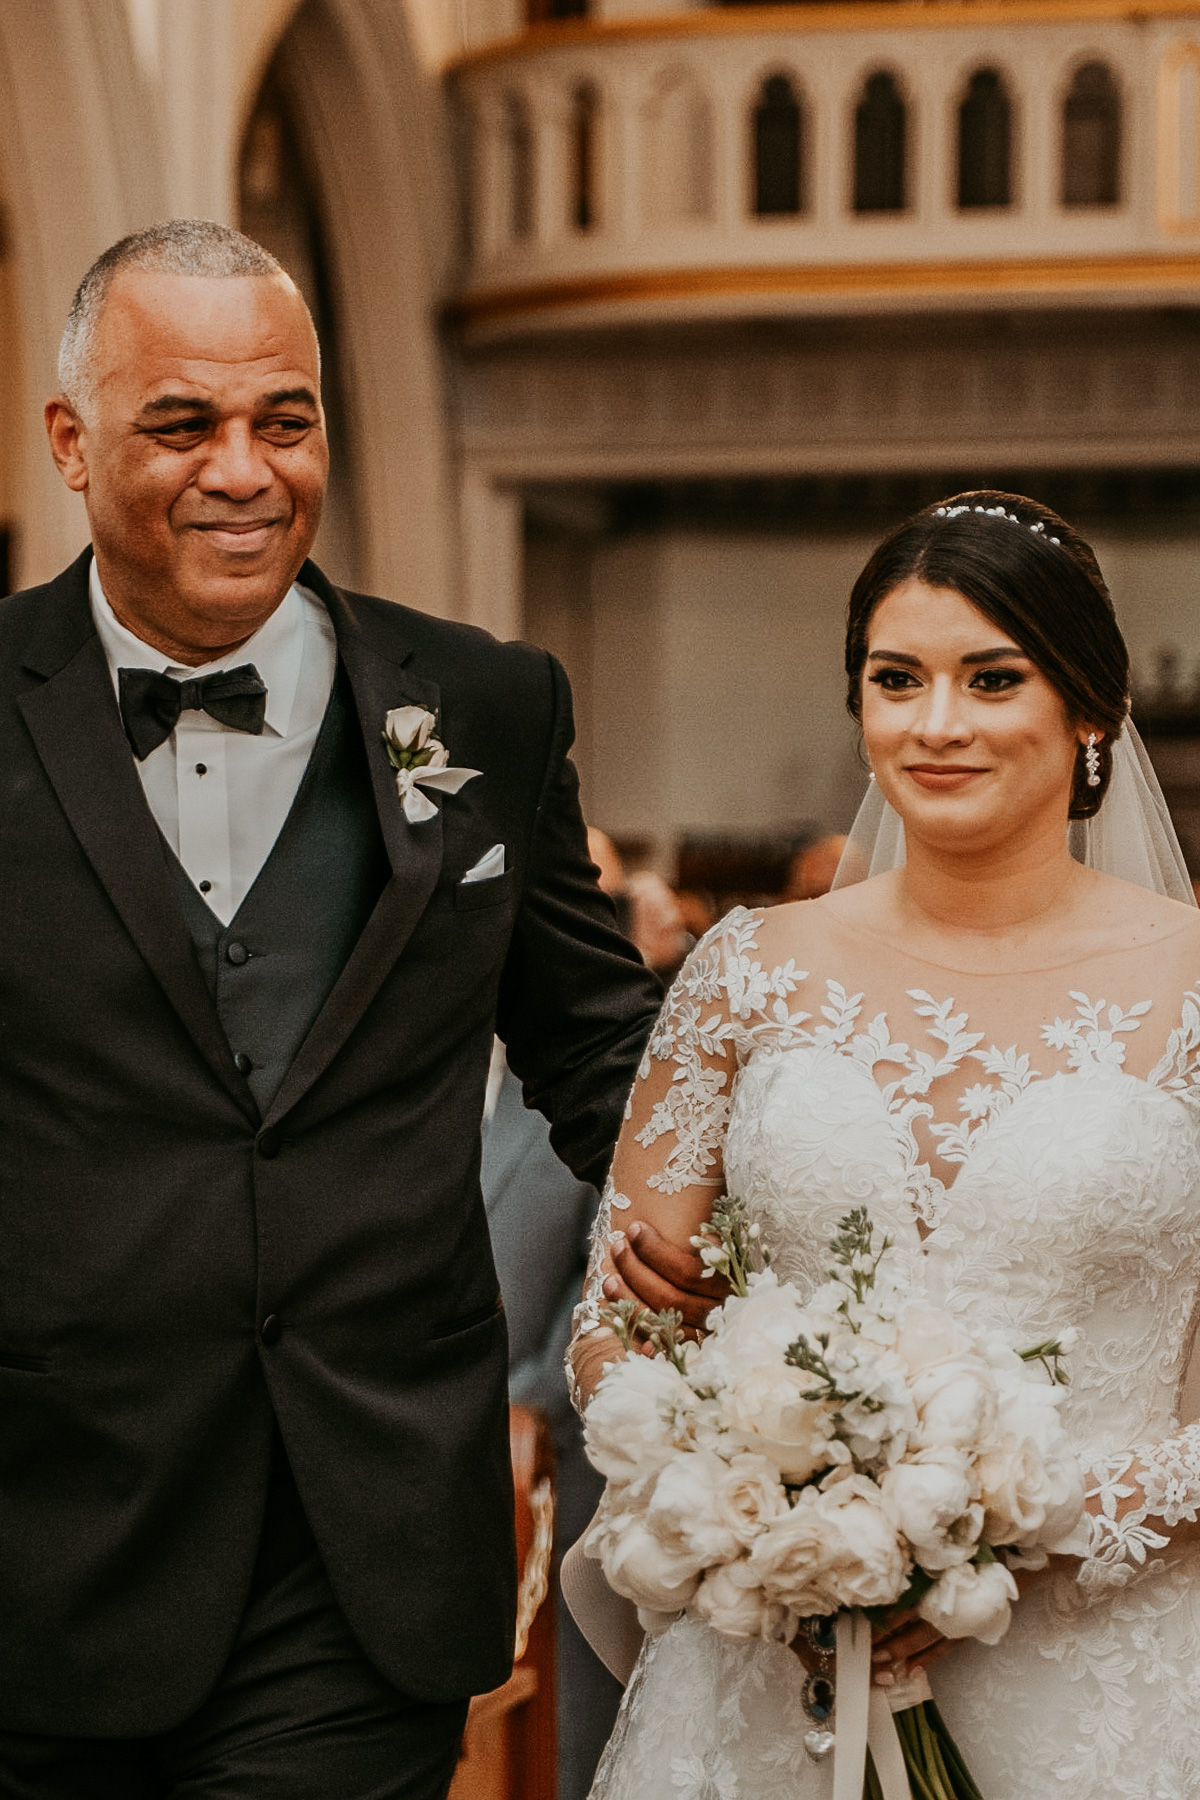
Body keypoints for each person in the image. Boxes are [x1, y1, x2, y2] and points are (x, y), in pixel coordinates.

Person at [0, 220, 660, 1799]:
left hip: (362, 1545)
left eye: (283, 419)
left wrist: (748, 1246)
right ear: (71, 444)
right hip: (41, 1537)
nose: (246, 469)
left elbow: (596, 1049)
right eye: (184, 424)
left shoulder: (487, 704)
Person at [569, 492, 1200, 1799]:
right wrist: (748, 1487)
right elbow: (612, 1322)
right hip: (780, 1670)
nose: (937, 723)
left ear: (1091, 708)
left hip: (1106, 1671)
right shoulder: (746, 971)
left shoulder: (1192, 984)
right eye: (896, 679)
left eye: (993, 678)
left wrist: (1014, 1528)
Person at [480, 1041, 623, 1800]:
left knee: (558, 1742)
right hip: (387, 1457)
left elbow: (604, 1269)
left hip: (555, 1464)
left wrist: (521, 1406)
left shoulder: (574, 1084)